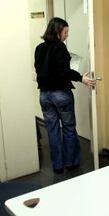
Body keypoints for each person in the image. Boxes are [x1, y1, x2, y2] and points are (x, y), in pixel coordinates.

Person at [34, 17, 95, 174]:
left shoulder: (39, 48)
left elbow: (39, 69)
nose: (67, 35)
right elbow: (64, 71)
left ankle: (58, 166)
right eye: (65, 32)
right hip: (60, 95)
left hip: (44, 96)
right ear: (57, 32)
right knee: (68, 129)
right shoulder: (60, 48)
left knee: (52, 131)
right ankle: (71, 163)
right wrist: (82, 78)